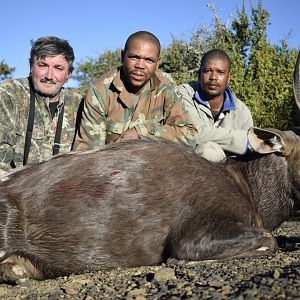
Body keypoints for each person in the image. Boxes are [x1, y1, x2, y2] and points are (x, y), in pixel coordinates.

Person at [73, 31, 197, 151]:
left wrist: (141, 132)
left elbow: (189, 136)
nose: (140, 65)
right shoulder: (100, 90)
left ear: (157, 63)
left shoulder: (166, 87)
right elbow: (88, 151)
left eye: (149, 60)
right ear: (123, 56)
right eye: (134, 57)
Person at [0, 36, 83, 178]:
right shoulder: (8, 95)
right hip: (13, 193)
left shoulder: (79, 105)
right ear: (31, 66)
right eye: (43, 65)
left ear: (69, 74)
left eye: (58, 68)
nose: (49, 75)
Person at [178, 49, 253, 162]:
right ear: (200, 74)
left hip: (229, 173)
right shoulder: (185, 93)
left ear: (229, 77)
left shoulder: (241, 111)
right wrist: (241, 140)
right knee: (209, 151)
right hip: (185, 167)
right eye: (207, 71)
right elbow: (193, 132)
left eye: (221, 72)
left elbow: (248, 154)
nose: (213, 77)